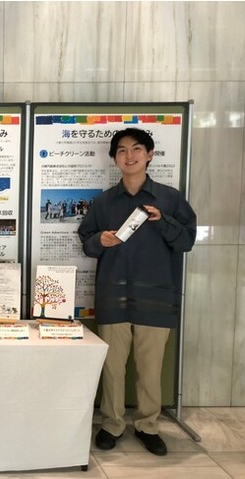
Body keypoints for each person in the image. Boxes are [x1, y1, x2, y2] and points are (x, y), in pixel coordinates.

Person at [77, 127, 196, 456]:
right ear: (114, 158)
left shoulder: (169, 198)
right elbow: (86, 241)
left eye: (137, 149)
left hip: (156, 298)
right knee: (112, 367)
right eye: (122, 150)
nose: (129, 156)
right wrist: (99, 240)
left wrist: (163, 220)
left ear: (149, 155)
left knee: (150, 368)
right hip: (113, 296)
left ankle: (148, 425)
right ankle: (112, 424)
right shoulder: (104, 201)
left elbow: (186, 240)